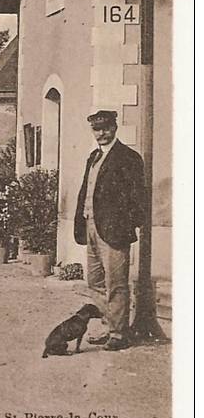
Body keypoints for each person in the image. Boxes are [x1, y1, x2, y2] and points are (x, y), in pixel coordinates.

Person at [73, 110, 145, 351]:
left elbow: (137, 197)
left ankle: (119, 334)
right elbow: (86, 190)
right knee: (94, 281)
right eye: (97, 129)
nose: (101, 133)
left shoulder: (128, 157)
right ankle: (110, 324)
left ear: (115, 127)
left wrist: (127, 224)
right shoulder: (92, 157)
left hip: (114, 230)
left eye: (105, 128)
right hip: (91, 225)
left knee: (116, 283)